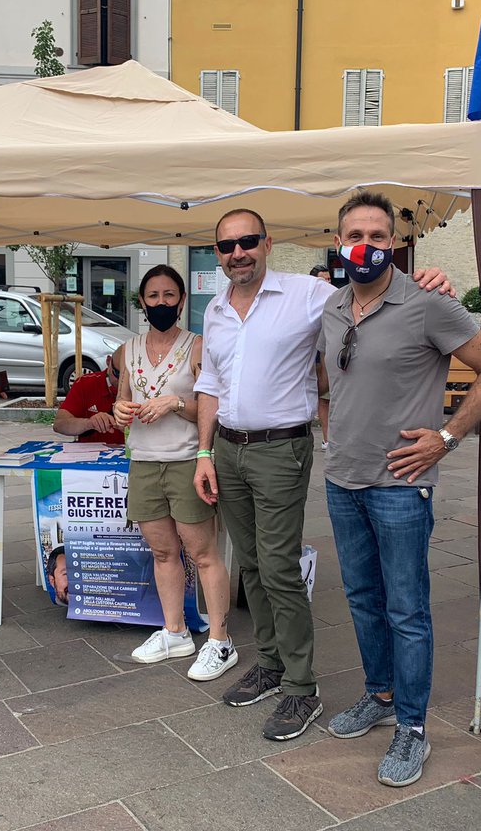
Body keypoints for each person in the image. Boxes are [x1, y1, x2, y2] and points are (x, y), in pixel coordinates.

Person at [193, 208, 452, 742]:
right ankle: (270, 662)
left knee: (280, 568)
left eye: (247, 241)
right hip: (227, 450)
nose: (237, 252)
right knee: (253, 568)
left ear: (267, 243)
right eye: (226, 246)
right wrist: (201, 452)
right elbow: (210, 383)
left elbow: (374, 292)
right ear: (218, 254)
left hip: (280, 449)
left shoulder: (309, 296)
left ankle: (301, 687)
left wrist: (431, 280)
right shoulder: (215, 310)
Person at [318, 191, 481, 787]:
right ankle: (378, 696)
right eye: (356, 234)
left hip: (401, 485)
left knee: (406, 610)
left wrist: (447, 439)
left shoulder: (427, 302)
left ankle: (413, 727)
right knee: (361, 599)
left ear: (395, 244)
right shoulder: (331, 306)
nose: (366, 245)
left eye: (378, 236)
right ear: (338, 239)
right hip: (342, 480)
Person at [113, 265, 237, 682]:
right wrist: (120, 410)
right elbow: (121, 401)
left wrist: (173, 404)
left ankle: (220, 640)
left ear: (182, 301)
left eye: (169, 295)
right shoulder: (127, 350)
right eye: (153, 296)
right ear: (142, 302)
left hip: (187, 461)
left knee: (202, 553)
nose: (161, 303)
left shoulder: (197, 346)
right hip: (144, 461)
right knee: (163, 552)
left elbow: (209, 405)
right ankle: (175, 632)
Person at [53, 355, 125, 445]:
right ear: (108, 361)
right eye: (118, 373)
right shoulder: (85, 384)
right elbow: (59, 424)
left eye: (129, 375)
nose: (123, 380)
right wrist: (89, 423)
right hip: (92, 455)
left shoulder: (144, 387)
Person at [309, 265, 334, 451]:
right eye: (322, 280)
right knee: (323, 397)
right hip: (314, 351)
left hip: (329, 349)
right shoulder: (307, 301)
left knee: (332, 395)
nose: (327, 283)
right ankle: (326, 439)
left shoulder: (336, 298)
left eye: (329, 279)